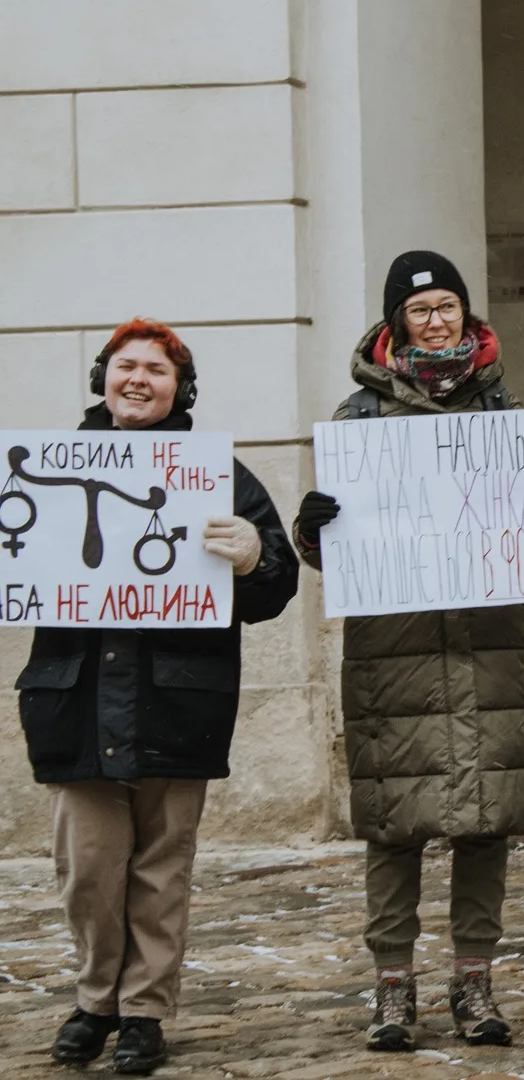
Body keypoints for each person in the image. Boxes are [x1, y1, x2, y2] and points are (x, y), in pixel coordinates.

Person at [289, 251, 524, 1053]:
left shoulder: (504, 408)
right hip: (393, 649)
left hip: (485, 646)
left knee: (484, 820)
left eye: (447, 305)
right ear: (397, 320)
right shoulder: (360, 417)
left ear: (467, 314)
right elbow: (327, 553)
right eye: (420, 307)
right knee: (394, 825)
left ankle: (475, 982)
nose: (436, 319)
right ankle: (391, 985)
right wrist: (315, 524)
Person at [16, 319, 299, 1074]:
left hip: (178, 698)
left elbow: (276, 582)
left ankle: (144, 1009)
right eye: (124, 365)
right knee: (89, 870)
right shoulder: (43, 468)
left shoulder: (219, 474)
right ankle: (94, 998)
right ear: (103, 378)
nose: (137, 378)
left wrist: (253, 556)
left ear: (180, 387)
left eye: (156, 369)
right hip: (76, 701)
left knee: (160, 869)